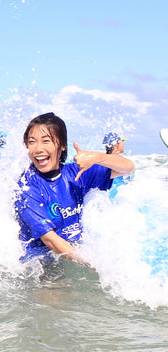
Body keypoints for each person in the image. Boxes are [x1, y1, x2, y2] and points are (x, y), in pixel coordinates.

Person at [14, 113, 134, 265]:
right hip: (39, 266)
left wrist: (96, 157)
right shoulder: (26, 187)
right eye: (32, 142)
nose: (38, 149)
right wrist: (96, 264)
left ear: (62, 146)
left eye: (46, 141)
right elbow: (50, 240)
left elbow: (128, 168)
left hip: (72, 253)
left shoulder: (76, 173)